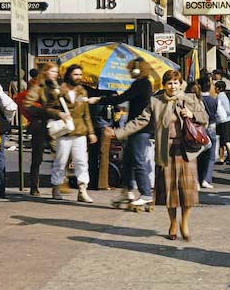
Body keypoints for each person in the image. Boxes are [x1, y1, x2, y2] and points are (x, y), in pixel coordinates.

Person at [107, 70, 209, 240]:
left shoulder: (189, 99)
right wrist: (119, 133)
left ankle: (184, 222)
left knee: (187, 191)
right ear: (164, 86)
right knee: (170, 191)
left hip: (187, 151)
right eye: (169, 83)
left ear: (180, 83)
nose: (173, 86)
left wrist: (192, 115)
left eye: (176, 83)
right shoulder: (155, 102)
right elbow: (140, 121)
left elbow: (205, 117)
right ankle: (173, 223)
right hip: (166, 150)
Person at [108, 59, 154, 209]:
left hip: (139, 129)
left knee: (138, 160)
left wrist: (99, 100)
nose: (131, 71)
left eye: (133, 69)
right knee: (127, 161)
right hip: (135, 128)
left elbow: (122, 98)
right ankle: (127, 191)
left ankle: (146, 193)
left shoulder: (141, 83)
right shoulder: (143, 84)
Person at [50, 64, 97, 202]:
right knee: (61, 161)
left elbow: (86, 114)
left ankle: (82, 190)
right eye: (76, 74)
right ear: (69, 75)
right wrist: (60, 113)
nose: (79, 77)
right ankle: (56, 187)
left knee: (81, 161)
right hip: (64, 130)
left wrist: (91, 132)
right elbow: (49, 108)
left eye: (80, 75)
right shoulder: (59, 91)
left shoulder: (83, 91)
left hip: (80, 131)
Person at [23, 63, 61, 196]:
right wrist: (43, 111)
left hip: (55, 125)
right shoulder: (38, 87)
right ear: (45, 72)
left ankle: (58, 186)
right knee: (37, 157)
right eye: (53, 72)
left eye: (56, 72)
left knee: (59, 155)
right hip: (40, 125)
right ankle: (34, 186)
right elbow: (27, 104)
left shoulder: (57, 86)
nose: (55, 74)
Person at [198, 77, 219, 189]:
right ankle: (206, 179)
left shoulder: (196, 99)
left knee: (199, 154)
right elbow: (219, 115)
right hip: (211, 128)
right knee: (210, 156)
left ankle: (197, 179)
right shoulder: (214, 100)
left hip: (198, 129)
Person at [215, 80, 230, 165]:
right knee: (223, 140)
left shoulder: (220, 97)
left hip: (223, 120)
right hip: (227, 120)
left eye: (215, 87)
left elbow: (219, 110)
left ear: (218, 88)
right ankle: (221, 158)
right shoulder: (223, 96)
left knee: (225, 140)